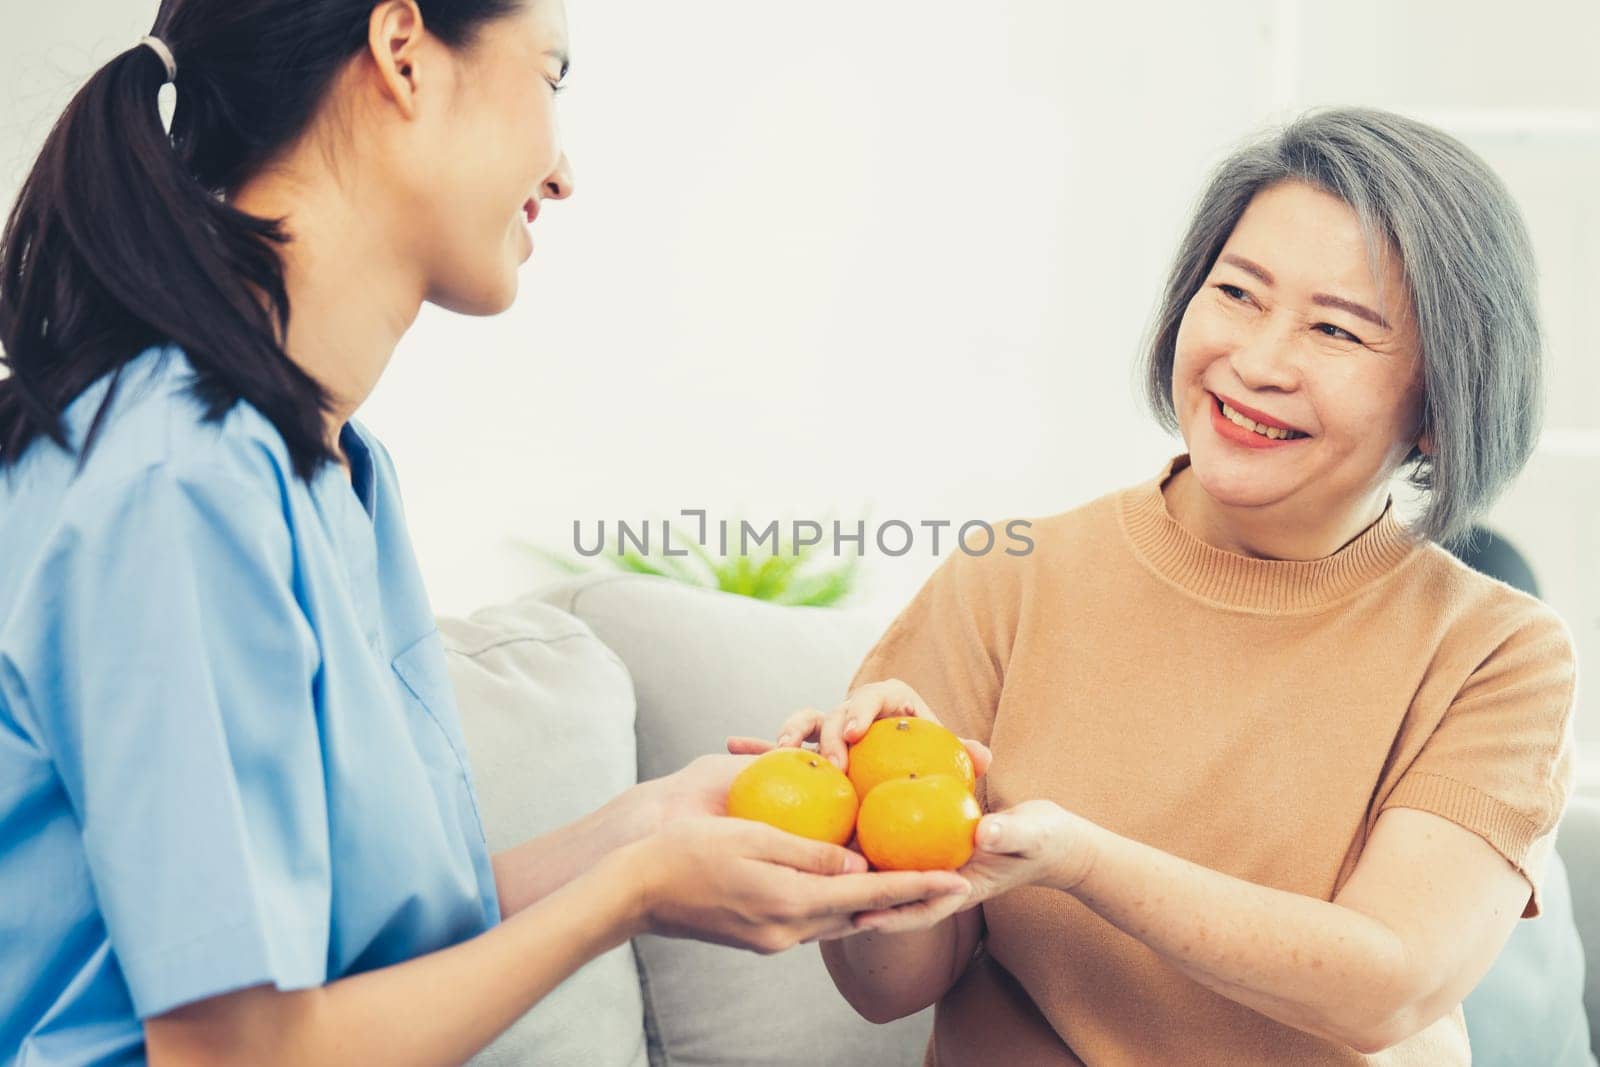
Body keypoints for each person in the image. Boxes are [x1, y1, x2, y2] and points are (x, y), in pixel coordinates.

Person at [0, 3, 974, 1063]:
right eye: (551, 75)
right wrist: (628, 896)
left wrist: (640, 829)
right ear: (404, 52)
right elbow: (237, 1049)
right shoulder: (177, 478)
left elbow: (353, 950)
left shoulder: (330, 467)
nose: (562, 174)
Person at [778, 108, 1579, 1064]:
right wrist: (865, 840)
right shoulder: (1007, 578)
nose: (1258, 361)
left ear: (1442, 407)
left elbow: (1387, 983)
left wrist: (1082, 860)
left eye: (1335, 329)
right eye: (1238, 293)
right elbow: (892, 990)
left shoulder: (1497, 651)